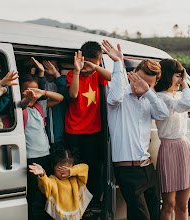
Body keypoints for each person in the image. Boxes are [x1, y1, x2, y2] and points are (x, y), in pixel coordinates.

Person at [102, 40, 169, 220]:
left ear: (153, 84)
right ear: (132, 75)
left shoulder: (149, 99)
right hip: (127, 171)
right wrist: (117, 63)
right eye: (137, 79)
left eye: (147, 83)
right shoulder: (120, 95)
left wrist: (147, 91)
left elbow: (163, 114)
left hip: (148, 167)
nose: (138, 85)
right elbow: (114, 98)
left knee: (155, 214)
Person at [154, 54, 190, 220]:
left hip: (183, 147)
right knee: (168, 205)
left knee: (183, 204)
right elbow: (187, 104)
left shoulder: (177, 96)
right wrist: (185, 83)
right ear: (168, 76)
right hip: (168, 148)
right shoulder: (161, 98)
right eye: (178, 76)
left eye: (181, 76)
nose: (180, 79)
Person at [64, 41, 111, 213]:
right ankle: (73, 203)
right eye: (86, 63)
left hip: (93, 131)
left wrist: (96, 68)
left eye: (93, 64)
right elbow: (73, 94)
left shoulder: (97, 75)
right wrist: (77, 70)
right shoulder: (72, 74)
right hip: (73, 130)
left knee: (91, 169)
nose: (88, 68)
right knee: (74, 169)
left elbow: (113, 77)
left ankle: (89, 203)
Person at [20, 73, 64, 220]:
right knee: (32, 195)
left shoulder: (40, 106)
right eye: (28, 91)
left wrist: (43, 93)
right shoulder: (20, 108)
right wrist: (27, 98)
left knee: (46, 191)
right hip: (30, 158)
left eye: (35, 90)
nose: (33, 94)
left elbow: (60, 98)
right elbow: (23, 104)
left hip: (45, 155)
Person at [28, 147, 92, 220]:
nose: (63, 173)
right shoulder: (53, 180)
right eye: (60, 169)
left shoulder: (76, 179)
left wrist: (71, 171)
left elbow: (84, 167)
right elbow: (45, 185)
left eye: (66, 169)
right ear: (53, 166)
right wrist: (42, 174)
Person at [41, 59, 70, 146]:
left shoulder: (62, 81)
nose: (50, 69)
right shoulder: (39, 82)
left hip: (61, 130)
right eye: (47, 66)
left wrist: (56, 75)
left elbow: (67, 95)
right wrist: (41, 75)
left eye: (54, 67)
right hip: (43, 134)